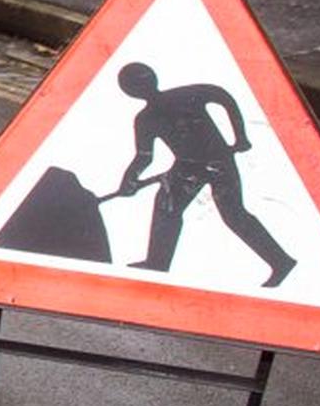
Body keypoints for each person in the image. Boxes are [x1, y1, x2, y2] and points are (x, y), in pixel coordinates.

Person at [110, 62, 292, 285]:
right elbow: (145, 156)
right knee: (166, 207)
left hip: (218, 161)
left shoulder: (180, 99)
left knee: (233, 215)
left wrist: (240, 136)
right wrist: (129, 180)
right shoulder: (148, 117)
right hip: (187, 167)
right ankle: (157, 264)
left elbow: (223, 96)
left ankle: (281, 262)